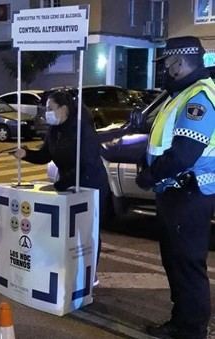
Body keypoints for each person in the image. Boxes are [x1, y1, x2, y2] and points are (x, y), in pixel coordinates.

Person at [136, 36, 215, 339]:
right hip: (176, 193)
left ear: (179, 62)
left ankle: (192, 329)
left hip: (189, 193)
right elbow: (164, 141)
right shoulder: (181, 94)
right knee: (176, 262)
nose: (164, 70)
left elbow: (183, 153)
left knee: (187, 264)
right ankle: (181, 321)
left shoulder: (198, 98)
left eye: (166, 64)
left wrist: (150, 176)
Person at [13, 91, 110, 283]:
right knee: (69, 231)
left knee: (87, 231)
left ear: (64, 109)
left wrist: (59, 185)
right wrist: (26, 154)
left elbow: (86, 163)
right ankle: (71, 269)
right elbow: (45, 155)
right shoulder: (54, 130)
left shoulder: (82, 128)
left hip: (90, 184)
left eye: (50, 108)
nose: (47, 113)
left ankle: (89, 275)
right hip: (69, 185)